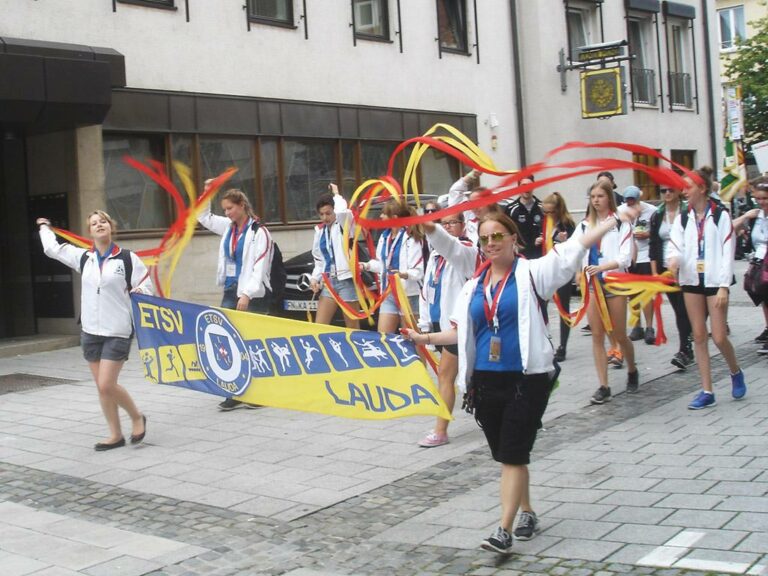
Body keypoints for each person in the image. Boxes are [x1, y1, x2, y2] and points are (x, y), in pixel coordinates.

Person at [402, 212, 629, 554]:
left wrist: (608, 224)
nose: (491, 243)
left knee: (512, 452)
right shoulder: (473, 287)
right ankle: (527, 511)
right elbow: (461, 331)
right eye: (485, 239)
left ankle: (503, 531)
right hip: (486, 383)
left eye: (497, 236)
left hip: (527, 379)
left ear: (513, 239)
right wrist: (424, 338)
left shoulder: (531, 273)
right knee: (509, 454)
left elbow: (570, 251)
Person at [37, 211, 152, 451]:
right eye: (93, 223)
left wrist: (140, 292)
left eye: (103, 222)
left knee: (107, 384)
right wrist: (45, 228)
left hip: (117, 330)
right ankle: (115, 434)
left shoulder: (127, 259)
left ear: (111, 227)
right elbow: (53, 250)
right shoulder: (83, 258)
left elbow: (145, 283)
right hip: (90, 331)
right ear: (89, 231)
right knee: (102, 386)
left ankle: (137, 417)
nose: (99, 225)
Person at [668, 168, 747, 409]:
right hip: (691, 281)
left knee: (720, 336)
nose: (684, 191)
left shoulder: (720, 215)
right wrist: (673, 261)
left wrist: (724, 286)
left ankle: (735, 371)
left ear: (702, 189)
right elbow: (675, 246)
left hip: (714, 282)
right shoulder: (683, 217)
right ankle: (707, 390)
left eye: (688, 187)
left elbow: (727, 253)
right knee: (699, 336)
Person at [198, 186, 274, 411]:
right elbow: (202, 217)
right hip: (231, 290)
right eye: (225, 209)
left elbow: (260, 267)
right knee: (228, 339)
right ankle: (236, 391)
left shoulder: (259, 232)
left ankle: (259, 391)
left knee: (253, 341)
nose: (228, 213)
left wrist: (247, 294)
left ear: (242, 205)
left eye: (230, 208)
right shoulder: (228, 228)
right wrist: (207, 192)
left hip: (253, 294)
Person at [573, 180, 639, 404]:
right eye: (592, 197)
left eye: (600, 196)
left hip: (614, 283)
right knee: (597, 336)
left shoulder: (620, 224)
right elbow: (574, 250)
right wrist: (577, 270)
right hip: (592, 286)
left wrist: (603, 267)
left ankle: (632, 368)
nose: (596, 200)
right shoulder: (583, 226)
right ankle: (603, 385)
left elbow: (625, 258)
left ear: (608, 198)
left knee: (619, 334)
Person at [416, 211, 476, 447]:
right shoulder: (434, 257)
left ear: (463, 225)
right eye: (444, 223)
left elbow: (451, 246)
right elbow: (427, 291)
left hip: (460, 327)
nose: (448, 226)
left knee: (445, 376)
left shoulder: (466, 252)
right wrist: (424, 325)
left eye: (453, 222)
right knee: (463, 376)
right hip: (440, 327)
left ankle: (441, 430)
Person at [361, 199, 425, 334]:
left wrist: (403, 274)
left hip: (407, 295)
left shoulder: (411, 239)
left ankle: (420, 356)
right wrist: (366, 265)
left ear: (394, 218)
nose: (380, 217)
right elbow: (381, 264)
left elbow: (418, 271)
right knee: (384, 338)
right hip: (388, 293)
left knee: (413, 339)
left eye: (384, 214)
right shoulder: (385, 237)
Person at [649, 185, 694, 369]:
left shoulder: (687, 212)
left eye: (671, 189)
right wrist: (654, 274)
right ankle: (688, 343)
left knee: (684, 309)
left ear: (678, 191)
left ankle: (685, 348)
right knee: (678, 309)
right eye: (662, 190)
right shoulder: (657, 215)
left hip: (685, 268)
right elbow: (653, 244)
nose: (667, 193)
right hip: (665, 269)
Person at [310, 184, 359, 329]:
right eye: (322, 214)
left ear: (334, 211)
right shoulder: (319, 231)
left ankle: (354, 351)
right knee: (319, 327)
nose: (325, 217)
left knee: (352, 328)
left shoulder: (343, 225)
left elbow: (344, 212)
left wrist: (336, 195)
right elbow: (319, 260)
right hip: (329, 281)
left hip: (346, 281)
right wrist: (315, 278)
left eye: (328, 213)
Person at [732, 177, 768, 354]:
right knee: (763, 296)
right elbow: (730, 228)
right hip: (760, 262)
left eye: (765, 198)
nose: (761, 202)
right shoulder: (756, 215)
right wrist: (746, 216)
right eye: (759, 198)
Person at [540, 192, 576, 361]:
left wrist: (564, 242)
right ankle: (545, 341)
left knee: (563, 308)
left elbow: (574, 248)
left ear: (558, 210)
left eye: (550, 212)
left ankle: (563, 346)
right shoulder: (546, 223)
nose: (547, 215)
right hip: (546, 269)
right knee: (541, 306)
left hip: (562, 271)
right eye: (545, 212)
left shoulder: (567, 224)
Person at [620, 186, 658, 344]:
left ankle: (649, 327)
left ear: (638, 199)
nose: (630, 204)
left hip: (645, 254)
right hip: (629, 255)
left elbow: (657, 232)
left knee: (646, 293)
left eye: (632, 201)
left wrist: (647, 234)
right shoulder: (620, 211)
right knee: (632, 293)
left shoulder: (652, 211)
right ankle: (637, 326)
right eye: (627, 201)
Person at [505, 176, 544, 260]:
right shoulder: (511, 209)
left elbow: (550, 229)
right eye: (523, 185)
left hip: (539, 256)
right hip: (520, 256)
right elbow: (505, 231)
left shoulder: (542, 207)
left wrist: (543, 238)